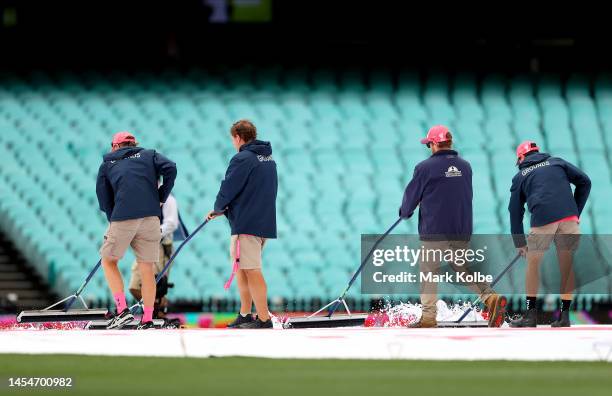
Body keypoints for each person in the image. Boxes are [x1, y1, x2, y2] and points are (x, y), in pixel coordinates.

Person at [399, 125, 507, 328]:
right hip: (461, 229)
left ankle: (429, 318)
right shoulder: (465, 166)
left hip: (435, 230)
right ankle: (491, 298)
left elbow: (410, 200)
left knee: (428, 271)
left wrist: (405, 212)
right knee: (462, 269)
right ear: (449, 143)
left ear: (433, 144)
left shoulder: (424, 168)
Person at [96, 132, 177, 330]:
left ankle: (122, 311)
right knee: (147, 269)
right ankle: (147, 319)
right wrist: (162, 195)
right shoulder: (149, 155)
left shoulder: (107, 164)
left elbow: (104, 199)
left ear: (115, 146)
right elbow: (171, 168)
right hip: (151, 218)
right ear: (133, 144)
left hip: (123, 217)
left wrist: (112, 219)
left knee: (108, 260)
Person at [509, 141, 591, 328]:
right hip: (569, 219)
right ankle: (564, 317)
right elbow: (585, 182)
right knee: (566, 265)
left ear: (521, 158)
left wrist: (519, 242)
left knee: (533, 264)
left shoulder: (521, 175)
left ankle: (530, 316)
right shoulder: (557, 162)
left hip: (543, 219)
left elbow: (515, 211)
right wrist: (574, 212)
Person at [207, 120, 278, 329]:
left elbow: (229, 187)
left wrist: (218, 208)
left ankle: (264, 319)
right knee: (242, 268)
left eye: (232, 139)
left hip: (246, 224)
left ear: (238, 137)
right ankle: (245, 314)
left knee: (252, 269)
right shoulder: (268, 159)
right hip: (263, 221)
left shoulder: (242, 158)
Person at [128, 191, 179, 319]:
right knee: (134, 286)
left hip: (160, 246)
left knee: (157, 287)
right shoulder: (144, 196)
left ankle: (156, 313)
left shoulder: (168, 199)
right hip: (145, 245)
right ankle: (157, 312)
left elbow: (172, 223)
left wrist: (152, 232)